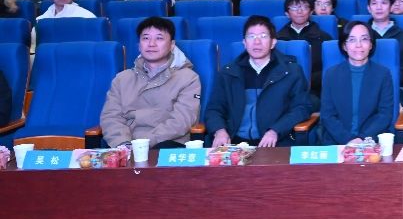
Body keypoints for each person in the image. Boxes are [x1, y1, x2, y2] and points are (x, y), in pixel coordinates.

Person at [204, 15, 310, 148]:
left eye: (263, 36)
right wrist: (219, 130)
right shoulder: (229, 72)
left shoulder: (291, 71)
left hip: (275, 143)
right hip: (233, 143)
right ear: (244, 42)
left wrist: (275, 131)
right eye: (251, 36)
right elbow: (214, 109)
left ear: (273, 42)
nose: (257, 42)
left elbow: (302, 108)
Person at [99, 16, 200, 149]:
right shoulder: (122, 79)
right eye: (146, 38)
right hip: (125, 146)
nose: (151, 44)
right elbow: (111, 117)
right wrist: (123, 143)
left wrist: (141, 144)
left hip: (167, 144)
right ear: (139, 45)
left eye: (159, 38)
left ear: (172, 45)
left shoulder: (188, 78)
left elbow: (181, 121)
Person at [320, 20, 396, 144]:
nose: (358, 45)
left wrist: (362, 138)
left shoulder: (383, 74)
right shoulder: (331, 74)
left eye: (364, 39)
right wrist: (348, 140)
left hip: (371, 140)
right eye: (352, 40)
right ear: (344, 46)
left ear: (371, 44)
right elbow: (327, 115)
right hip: (338, 141)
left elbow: (384, 114)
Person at [276, 0, 332, 103]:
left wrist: (307, 80)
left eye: (304, 7)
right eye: (294, 7)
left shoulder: (324, 38)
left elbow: (329, 70)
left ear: (311, 11)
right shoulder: (277, 40)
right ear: (287, 13)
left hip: (315, 91)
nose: (299, 11)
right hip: (284, 91)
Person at [366, 0, 403, 86]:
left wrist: (385, 81)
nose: (379, 7)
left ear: (391, 7)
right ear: (369, 8)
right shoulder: (362, 35)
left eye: (384, 3)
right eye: (374, 3)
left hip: (395, 86)